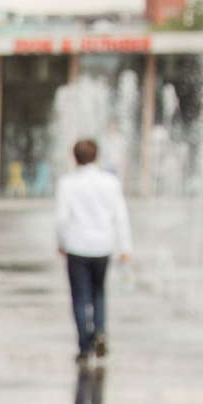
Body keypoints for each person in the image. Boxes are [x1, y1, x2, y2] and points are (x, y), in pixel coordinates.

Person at [53, 137, 131, 362]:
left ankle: (84, 346)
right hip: (103, 246)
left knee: (79, 297)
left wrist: (61, 243)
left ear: (75, 158)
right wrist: (125, 247)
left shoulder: (68, 183)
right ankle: (99, 331)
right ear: (96, 156)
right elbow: (121, 216)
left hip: (77, 247)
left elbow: (62, 218)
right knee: (99, 291)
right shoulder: (110, 182)